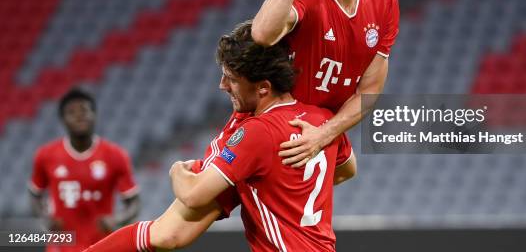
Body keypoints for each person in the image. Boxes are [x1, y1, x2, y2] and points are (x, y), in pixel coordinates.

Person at [85, 21, 356, 252]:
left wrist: (177, 171)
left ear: (263, 88)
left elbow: (192, 195)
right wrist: (275, 182)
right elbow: (346, 170)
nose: (222, 85)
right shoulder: (321, 119)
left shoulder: (257, 131)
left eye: (232, 79)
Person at [251, 0, 400, 167]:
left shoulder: (385, 2)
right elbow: (261, 34)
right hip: (280, 125)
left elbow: (369, 90)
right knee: (199, 203)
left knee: (347, 169)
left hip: (321, 128)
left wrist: (324, 134)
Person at [29, 88, 140, 251]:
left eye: (84, 110)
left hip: (101, 244)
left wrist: (117, 219)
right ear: (63, 119)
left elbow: (134, 202)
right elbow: (34, 194)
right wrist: (45, 218)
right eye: (71, 112)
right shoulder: (45, 155)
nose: (79, 116)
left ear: (94, 115)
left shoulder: (115, 155)